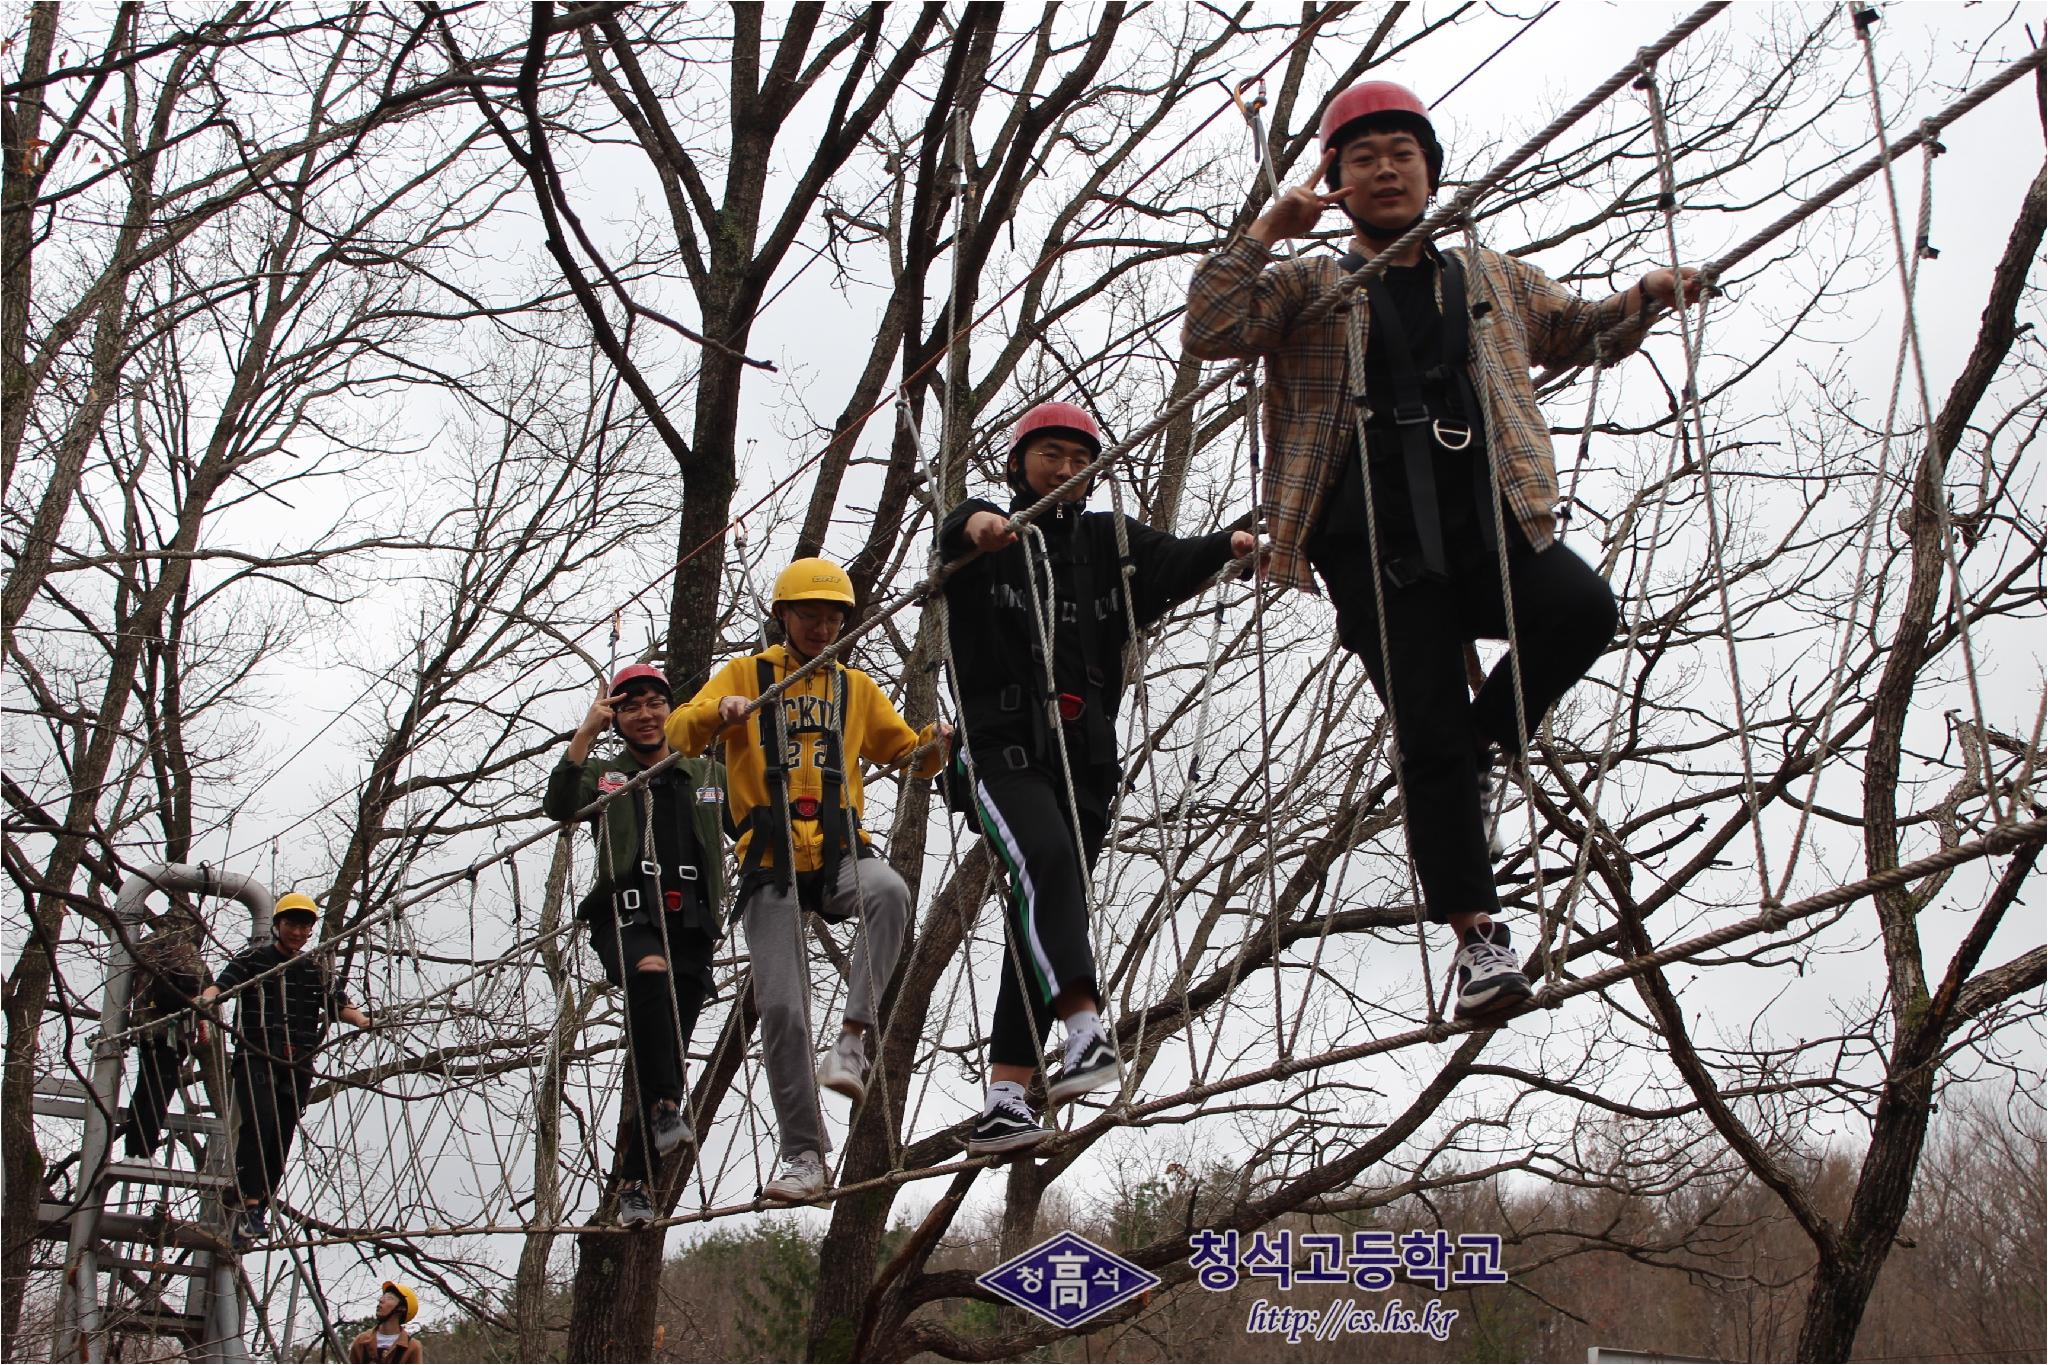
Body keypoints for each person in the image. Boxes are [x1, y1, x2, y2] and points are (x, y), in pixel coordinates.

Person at [1182, 80, 1700, 1022]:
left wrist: (1646, 299)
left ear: (1430, 172)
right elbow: (1214, 329)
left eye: (1403, 154)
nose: (1386, 169)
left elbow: (1582, 331)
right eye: (1364, 157)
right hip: (1373, 537)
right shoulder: (1307, 285)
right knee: (1426, 729)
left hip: (1490, 512)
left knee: (1579, 610)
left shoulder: (1491, 277)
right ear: (1336, 180)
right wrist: (1267, 229)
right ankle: (1480, 941)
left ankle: (1484, 736)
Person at [939, 401, 1253, 1154]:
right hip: (1001, 749)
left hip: (1085, 764)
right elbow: (964, 528)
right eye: (1053, 455)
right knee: (1045, 863)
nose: (1068, 470)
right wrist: (983, 531)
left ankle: (1006, 1098)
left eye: (1082, 460)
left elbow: (1179, 559)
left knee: (1042, 918)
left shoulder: (1111, 542)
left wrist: (1234, 542)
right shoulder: (989, 533)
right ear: (1021, 463)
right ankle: (1084, 1029)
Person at [667, 558, 947, 1202]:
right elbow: (682, 732)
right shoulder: (746, 674)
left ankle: (853, 1040)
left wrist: (940, 745)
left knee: (890, 891)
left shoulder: (855, 688)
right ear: (783, 616)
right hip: (770, 860)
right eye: (810, 615)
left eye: (833, 617)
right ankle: (804, 1155)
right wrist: (721, 712)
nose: (823, 627)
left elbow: (906, 754)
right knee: (784, 1009)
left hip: (842, 849)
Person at [543, 662, 728, 1229]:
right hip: (627, 915)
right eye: (631, 707)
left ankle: (634, 1182)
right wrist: (584, 735)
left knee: (663, 1045)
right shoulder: (607, 777)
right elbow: (559, 806)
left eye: (654, 703)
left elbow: (750, 813)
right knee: (649, 974)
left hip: (692, 921)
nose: (645, 715)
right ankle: (668, 1108)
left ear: (670, 709)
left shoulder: (703, 773)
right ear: (617, 718)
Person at [200, 893, 371, 1247]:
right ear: (277, 925)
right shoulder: (254, 959)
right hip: (257, 1055)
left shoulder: (313, 969)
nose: (296, 932)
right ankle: (249, 1204)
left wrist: (364, 1020)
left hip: (296, 1062)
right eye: (291, 924)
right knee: (259, 1124)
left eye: (304, 926)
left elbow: (338, 1004)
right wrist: (208, 997)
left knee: (281, 1133)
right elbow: (226, 984)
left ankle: (259, 1206)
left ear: (310, 932)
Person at [118, 911, 212, 1160]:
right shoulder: (183, 946)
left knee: (144, 1088)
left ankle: (132, 1149)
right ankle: (143, 1150)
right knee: (161, 1090)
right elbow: (203, 981)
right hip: (171, 1030)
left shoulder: (146, 944)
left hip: (145, 1027)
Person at [347, 1280, 424, 1363]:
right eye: (383, 1296)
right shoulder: (361, 1341)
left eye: (390, 1298)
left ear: (402, 1308)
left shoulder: (412, 1347)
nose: (381, 1300)